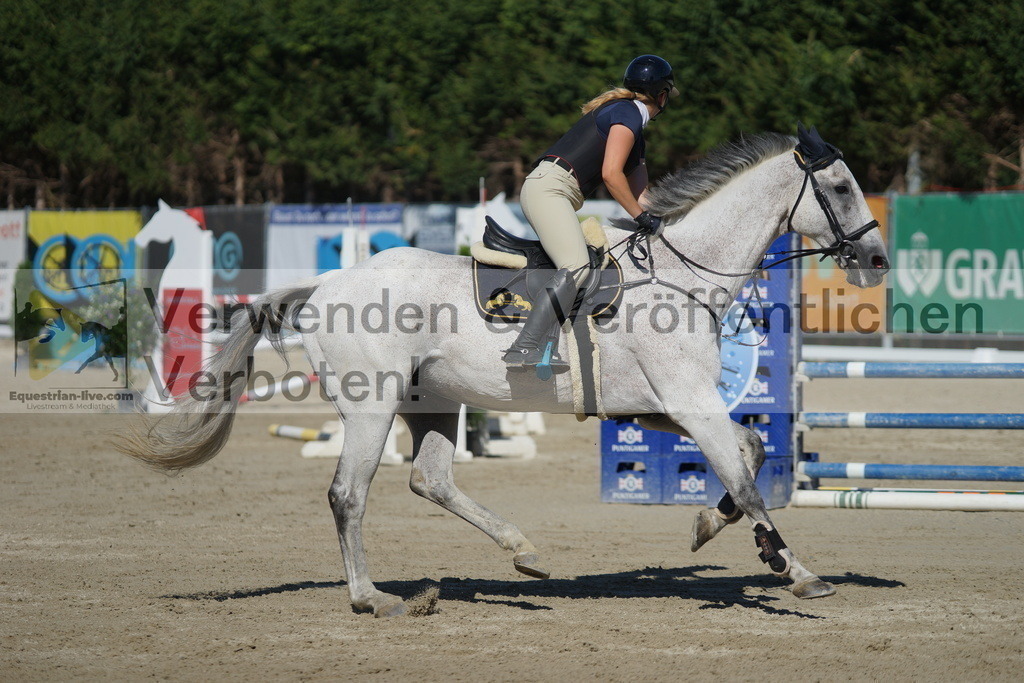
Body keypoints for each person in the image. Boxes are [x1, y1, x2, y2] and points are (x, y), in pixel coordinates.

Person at [503, 54, 678, 370]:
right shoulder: (629, 113)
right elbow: (612, 175)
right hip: (550, 188)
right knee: (576, 264)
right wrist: (641, 218)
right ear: (662, 95)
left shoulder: (630, 123)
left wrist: (663, 222)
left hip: (553, 189)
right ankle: (524, 347)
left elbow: (641, 196)